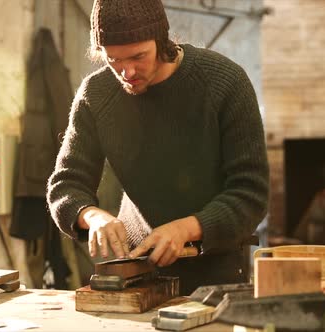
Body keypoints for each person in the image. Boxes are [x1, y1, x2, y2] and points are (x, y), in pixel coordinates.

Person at [47, 0, 269, 295]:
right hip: (136, 270)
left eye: (138, 56)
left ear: (161, 39)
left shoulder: (225, 83)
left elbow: (250, 195)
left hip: (216, 273)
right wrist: (91, 215)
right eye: (114, 60)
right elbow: (65, 186)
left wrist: (185, 229)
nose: (127, 72)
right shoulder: (96, 96)